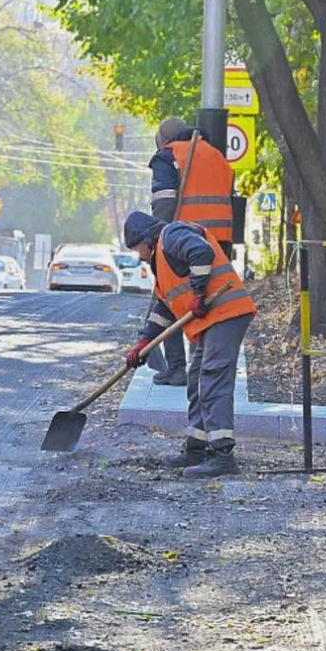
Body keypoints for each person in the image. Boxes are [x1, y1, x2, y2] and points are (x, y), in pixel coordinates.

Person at [123, 211, 256, 478]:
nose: (138, 256)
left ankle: (223, 457)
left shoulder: (171, 235)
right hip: (214, 320)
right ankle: (197, 447)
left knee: (212, 378)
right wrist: (144, 342)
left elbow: (201, 252)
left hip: (227, 313)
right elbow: (165, 308)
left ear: (147, 239)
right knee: (196, 380)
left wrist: (198, 293)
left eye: (137, 248)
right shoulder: (161, 267)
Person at [146, 117, 237, 387]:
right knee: (206, 304)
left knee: (172, 298)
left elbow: (164, 203)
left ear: (163, 139)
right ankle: (201, 369)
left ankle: (176, 369)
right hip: (219, 240)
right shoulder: (217, 156)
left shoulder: (168, 156)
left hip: (184, 240)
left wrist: (158, 240)